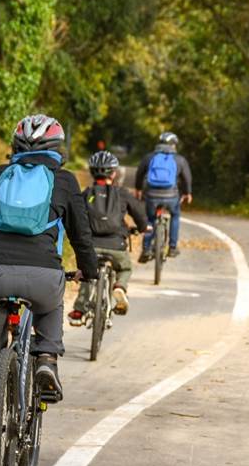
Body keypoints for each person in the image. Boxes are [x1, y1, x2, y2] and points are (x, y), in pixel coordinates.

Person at [0, 113, 98, 466]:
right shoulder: (64, 182)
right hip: (42, 277)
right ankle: (47, 359)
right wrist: (90, 272)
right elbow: (82, 237)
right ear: (58, 149)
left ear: (15, 146)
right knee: (50, 303)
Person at [68, 150, 148, 325]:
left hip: (92, 245)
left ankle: (79, 310)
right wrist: (143, 228)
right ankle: (119, 287)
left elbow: (75, 218)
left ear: (91, 172)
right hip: (116, 245)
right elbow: (140, 214)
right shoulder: (122, 193)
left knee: (88, 272)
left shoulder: (86, 193)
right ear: (114, 173)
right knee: (125, 268)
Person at [134, 131, 193, 262]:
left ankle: (146, 248)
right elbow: (186, 179)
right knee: (175, 216)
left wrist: (138, 189)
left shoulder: (149, 157)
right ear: (173, 145)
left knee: (150, 218)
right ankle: (172, 247)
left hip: (151, 195)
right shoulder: (179, 160)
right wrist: (187, 193)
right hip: (171, 196)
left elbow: (139, 174)